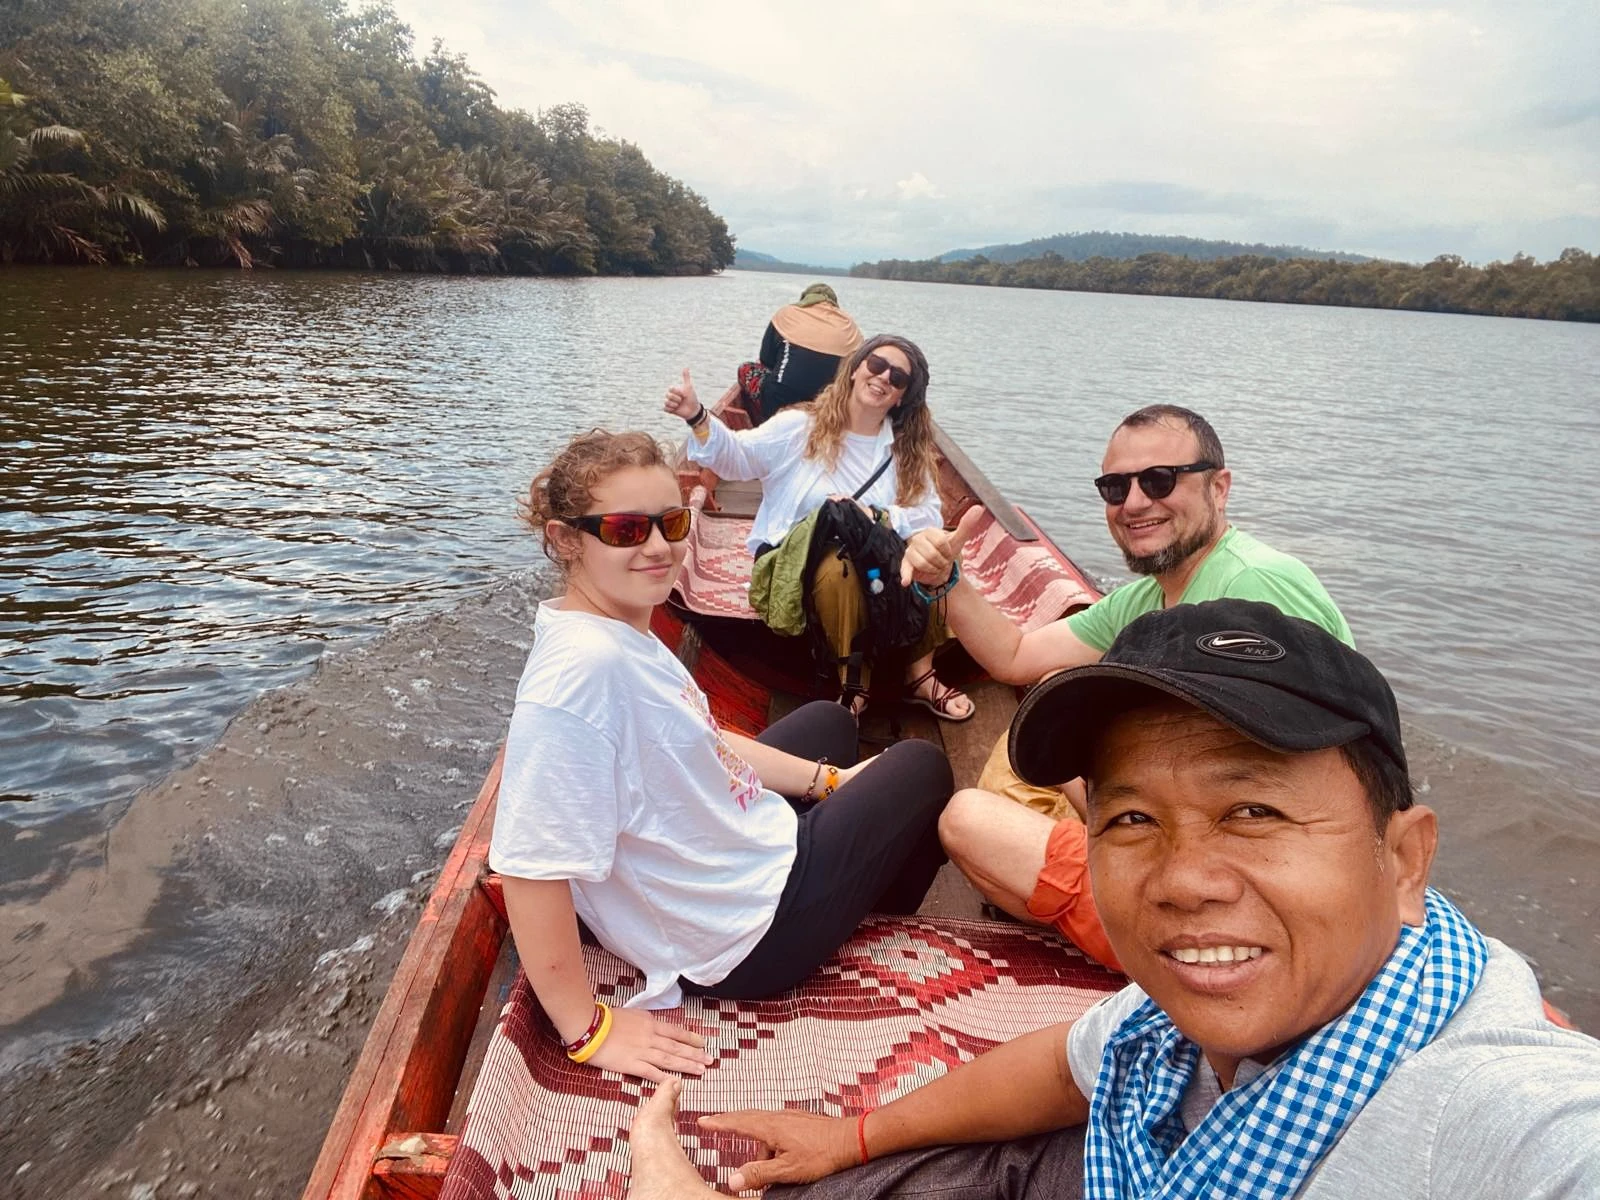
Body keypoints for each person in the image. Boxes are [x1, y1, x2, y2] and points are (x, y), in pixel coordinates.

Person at [625, 600, 1600, 1200]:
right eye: (1129, 820)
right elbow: (1067, 1062)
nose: (1182, 881)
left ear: (1403, 858)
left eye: (1253, 809)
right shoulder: (1177, 1027)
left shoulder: (1502, 1121)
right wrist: (854, 1133)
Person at [491, 429, 954, 1082]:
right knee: (921, 769)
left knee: (827, 725)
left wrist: (832, 781)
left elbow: (698, 739)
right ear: (568, 540)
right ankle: (855, 914)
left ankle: (845, 869)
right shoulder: (581, 675)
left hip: (721, 854)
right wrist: (588, 1030)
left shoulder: (617, 624)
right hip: (744, 936)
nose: (658, 547)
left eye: (672, 522)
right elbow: (528, 866)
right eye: (625, 530)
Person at [900, 404, 1351, 969]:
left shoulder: (1253, 587)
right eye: (1116, 487)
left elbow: (1295, 785)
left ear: (1220, 487)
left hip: (1238, 898)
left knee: (968, 819)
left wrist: (1075, 765)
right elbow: (1014, 656)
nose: (1135, 503)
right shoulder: (1146, 599)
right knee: (1032, 728)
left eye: (1160, 480)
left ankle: (1153, 942)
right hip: (1188, 840)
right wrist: (946, 580)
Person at [665, 334, 974, 721]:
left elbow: (927, 515)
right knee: (837, 566)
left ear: (901, 396)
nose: (883, 378)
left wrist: (873, 517)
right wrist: (697, 416)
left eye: (897, 377)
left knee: (935, 557)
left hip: (877, 570)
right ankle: (854, 683)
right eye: (876, 365)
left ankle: (919, 674)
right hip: (795, 568)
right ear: (856, 368)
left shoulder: (904, 450)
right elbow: (737, 459)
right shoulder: (800, 426)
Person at [739, 282, 864, 424]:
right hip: (828, 409)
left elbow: (765, 359)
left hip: (777, 403)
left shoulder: (787, 313)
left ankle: (762, 422)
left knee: (745, 369)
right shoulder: (851, 327)